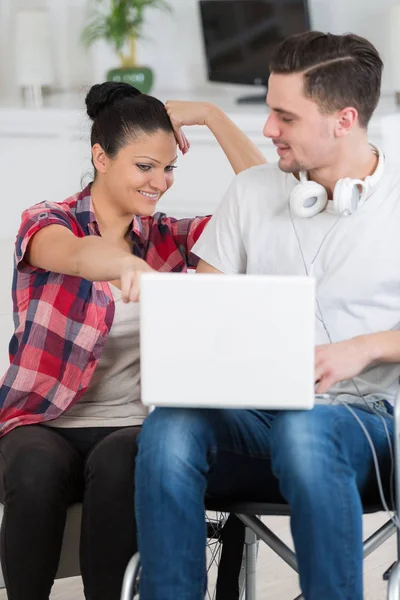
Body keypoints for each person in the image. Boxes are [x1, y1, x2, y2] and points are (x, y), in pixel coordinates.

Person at [135, 31, 400, 600]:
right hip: (263, 419)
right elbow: (202, 313)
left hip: (374, 425)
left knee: (309, 430)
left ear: (343, 119)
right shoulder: (252, 194)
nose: (267, 130)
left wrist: (364, 347)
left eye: (285, 116)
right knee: (169, 428)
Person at [0, 81, 266, 600]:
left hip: (134, 424)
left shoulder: (170, 237)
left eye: (168, 168)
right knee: (35, 467)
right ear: (101, 157)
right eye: (145, 166)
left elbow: (265, 205)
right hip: (44, 419)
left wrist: (214, 116)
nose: (160, 182)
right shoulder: (47, 222)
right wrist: (124, 263)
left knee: (122, 461)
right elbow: (75, 256)